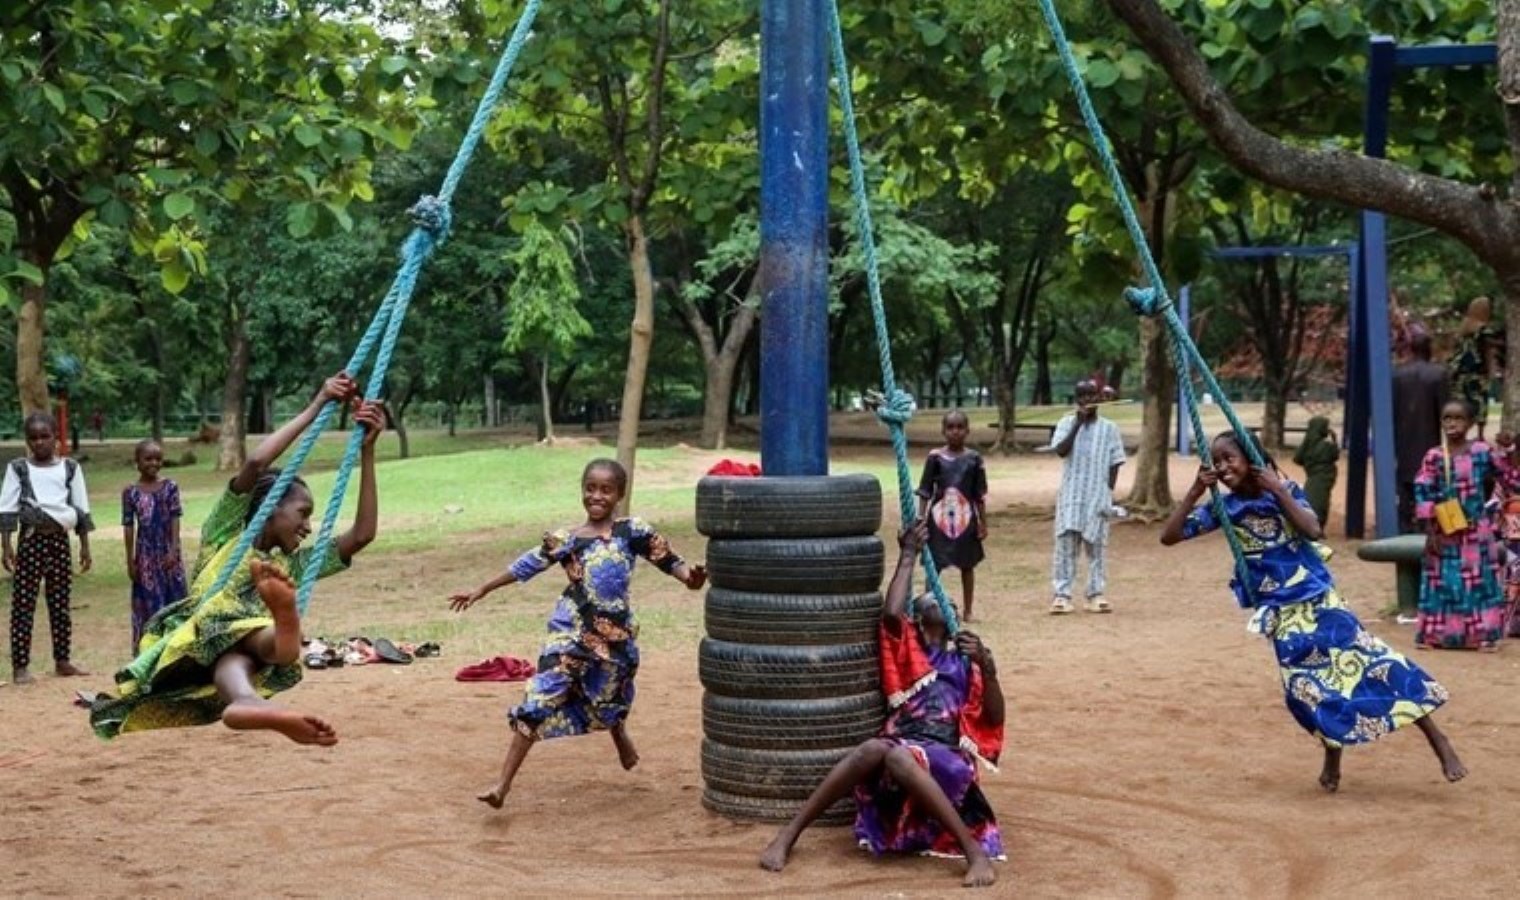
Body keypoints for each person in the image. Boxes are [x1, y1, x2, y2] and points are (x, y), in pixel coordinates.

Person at [1161, 431, 1466, 792]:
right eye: (1218, 461)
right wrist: (1196, 491)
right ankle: (1333, 753)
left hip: (1319, 601)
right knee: (1307, 690)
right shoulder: (1223, 509)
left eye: (1231, 458)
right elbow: (1170, 536)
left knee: (1377, 665)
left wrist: (1276, 489)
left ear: (1251, 459)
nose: (1224, 467)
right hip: (1281, 612)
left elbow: (1313, 530)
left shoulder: (1284, 491)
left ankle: (1439, 741)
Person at [89, 373, 383, 745]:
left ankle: (249, 700)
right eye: (302, 512)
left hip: (232, 648)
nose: (309, 526)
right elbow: (257, 463)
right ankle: (285, 619)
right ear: (270, 507)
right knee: (258, 640)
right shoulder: (225, 533)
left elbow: (362, 535)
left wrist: (367, 452)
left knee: (240, 664)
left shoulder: (289, 566)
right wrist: (318, 403)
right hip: (206, 629)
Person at [449, 458, 707, 808]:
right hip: (569, 630)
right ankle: (501, 786)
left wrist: (691, 580)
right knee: (540, 697)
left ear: (619, 495)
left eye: (606, 490)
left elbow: (670, 562)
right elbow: (525, 566)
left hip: (615, 636)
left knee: (608, 697)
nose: (596, 496)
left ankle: (619, 733)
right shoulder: (564, 540)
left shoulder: (633, 532)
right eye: (590, 488)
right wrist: (482, 589)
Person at [758, 519, 1003, 888]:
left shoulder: (966, 661)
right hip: (901, 748)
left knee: (896, 754)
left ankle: (975, 853)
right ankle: (788, 834)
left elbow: (995, 718)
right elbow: (891, 614)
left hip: (945, 756)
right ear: (918, 620)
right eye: (932, 597)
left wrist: (989, 667)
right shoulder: (910, 652)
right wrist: (908, 555)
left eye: (948, 599)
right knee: (876, 749)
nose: (942, 597)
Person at [1, 412, 94, 685]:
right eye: (33, 438)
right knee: (23, 605)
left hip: (59, 542)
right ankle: (20, 667)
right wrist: (6, 546)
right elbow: (7, 506)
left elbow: (81, 507)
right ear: (27, 440)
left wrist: (85, 546)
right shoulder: (18, 468)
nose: (40, 442)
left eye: (45, 436)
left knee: (60, 602)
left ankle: (62, 660)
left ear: (56, 438)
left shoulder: (70, 468)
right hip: (30, 541)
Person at [1412, 399, 1508, 651]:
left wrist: (1509, 451)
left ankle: (1483, 636)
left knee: (1479, 583)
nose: (1452, 423)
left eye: (1458, 418)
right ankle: (1437, 635)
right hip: (1443, 531)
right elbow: (1423, 491)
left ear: (1470, 423)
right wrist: (1430, 529)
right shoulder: (1433, 456)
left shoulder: (1481, 451)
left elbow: (1508, 476)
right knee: (1442, 582)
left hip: (1477, 532)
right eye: (1447, 418)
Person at [1049, 379, 1126, 614]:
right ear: (1076, 400)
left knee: (1097, 546)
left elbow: (1115, 462)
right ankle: (1062, 595)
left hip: (1097, 495)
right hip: (1071, 495)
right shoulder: (1065, 423)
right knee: (1066, 544)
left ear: (1100, 398)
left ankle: (1096, 594)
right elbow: (1061, 450)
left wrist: (1107, 493)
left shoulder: (1109, 428)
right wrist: (1077, 425)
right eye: (1083, 396)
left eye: (1092, 395)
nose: (1088, 400)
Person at [916, 410, 988, 621]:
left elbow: (979, 495)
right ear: (943, 431)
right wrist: (921, 518)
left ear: (967, 430)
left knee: (968, 565)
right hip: (938, 520)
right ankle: (929, 608)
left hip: (965, 520)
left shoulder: (974, 459)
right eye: (950, 428)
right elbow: (925, 490)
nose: (955, 432)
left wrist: (983, 523)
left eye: (960, 428)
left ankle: (968, 610)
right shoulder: (935, 458)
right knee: (934, 566)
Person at [121, 439, 188, 651]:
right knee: (148, 603)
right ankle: (148, 648)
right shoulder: (130, 492)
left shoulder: (170, 487)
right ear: (137, 462)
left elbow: (176, 518)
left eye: (158, 458)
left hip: (168, 554)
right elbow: (129, 526)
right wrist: (131, 560)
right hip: (145, 555)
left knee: (174, 600)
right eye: (148, 458)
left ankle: (176, 647)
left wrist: (173, 550)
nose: (154, 463)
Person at [1393, 325, 1448, 532]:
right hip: (1428, 440)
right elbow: (1445, 411)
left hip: (1403, 440)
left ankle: (1405, 524)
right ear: (1429, 349)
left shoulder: (1398, 374)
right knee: (1430, 481)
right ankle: (1426, 523)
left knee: (1405, 485)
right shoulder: (1439, 374)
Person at [1448, 297, 1503, 440]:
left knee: (1462, 405)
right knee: (1480, 405)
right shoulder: (1484, 331)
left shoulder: (1463, 329)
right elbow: (1488, 353)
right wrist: (1493, 374)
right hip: (1477, 374)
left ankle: (1460, 433)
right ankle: (1480, 436)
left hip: (1459, 375)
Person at [1291, 416, 1339, 528]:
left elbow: (1297, 459)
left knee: (1311, 498)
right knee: (1320, 502)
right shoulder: (1326, 446)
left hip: (1312, 476)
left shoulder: (1307, 444)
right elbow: (1335, 455)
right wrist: (1334, 439)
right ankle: (1317, 525)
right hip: (1323, 477)